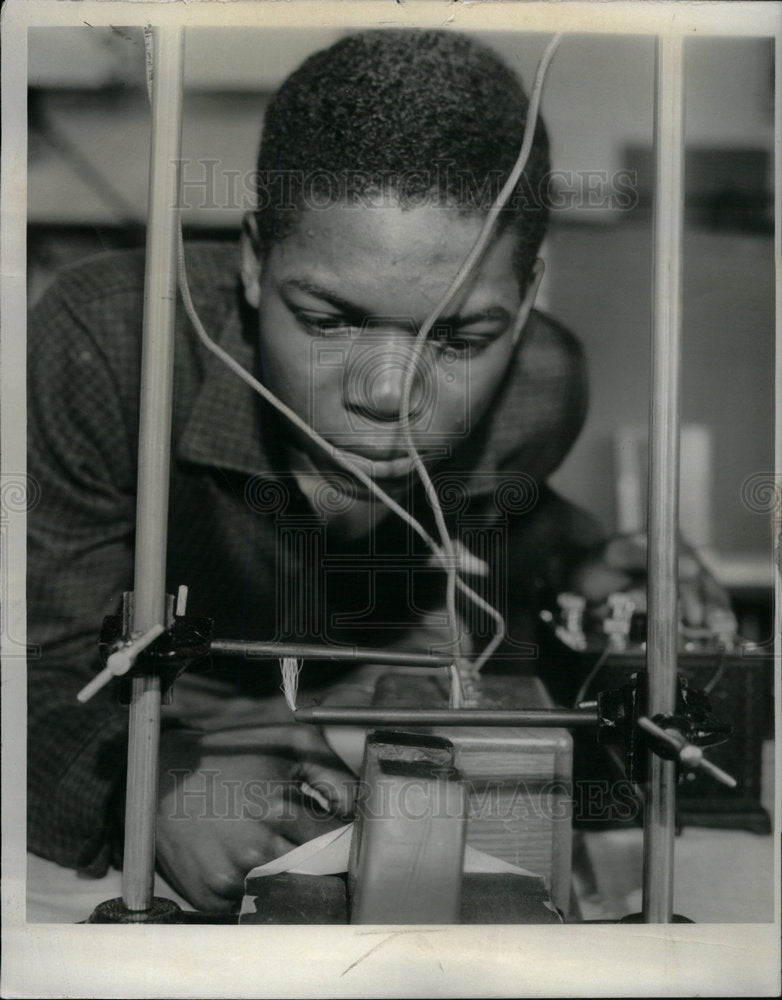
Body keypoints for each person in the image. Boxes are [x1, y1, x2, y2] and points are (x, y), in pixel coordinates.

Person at [27, 28, 729, 914]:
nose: (389, 396)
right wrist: (145, 783)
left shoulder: (543, 384)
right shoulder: (107, 344)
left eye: (462, 338)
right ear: (253, 261)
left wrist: (575, 564)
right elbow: (32, 666)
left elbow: (491, 513)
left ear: (529, 297)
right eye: (328, 320)